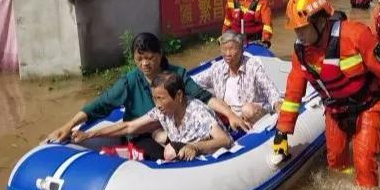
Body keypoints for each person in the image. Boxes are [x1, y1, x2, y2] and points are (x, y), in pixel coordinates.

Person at [273, 0, 380, 189]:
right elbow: (293, 95)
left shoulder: (356, 36)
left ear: (321, 22)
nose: (299, 35)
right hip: (335, 110)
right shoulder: (301, 53)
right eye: (296, 30)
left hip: (367, 106)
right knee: (336, 162)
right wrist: (282, 132)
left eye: (302, 28)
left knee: (364, 162)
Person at [44, 32, 250, 145]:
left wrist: (230, 114)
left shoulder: (176, 79)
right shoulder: (130, 82)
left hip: (170, 132)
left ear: (160, 55)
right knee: (159, 137)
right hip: (145, 132)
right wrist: (70, 126)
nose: (144, 63)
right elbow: (103, 107)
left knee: (167, 141)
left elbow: (203, 96)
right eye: (139, 59)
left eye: (149, 58)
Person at [73, 71, 233, 162]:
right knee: (161, 141)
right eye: (154, 99)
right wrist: (89, 134)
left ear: (178, 95)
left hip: (203, 152)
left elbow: (225, 140)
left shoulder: (198, 112)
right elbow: (129, 126)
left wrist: (195, 148)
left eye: (161, 98)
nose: (157, 104)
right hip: (182, 146)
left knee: (169, 152)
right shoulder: (162, 111)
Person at [193, 31, 283, 125]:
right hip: (230, 116)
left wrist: (277, 104)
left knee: (247, 110)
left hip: (252, 112)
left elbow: (269, 88)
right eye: (224, 49)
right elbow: (195, 82)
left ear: (241, 50)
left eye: (232, 49)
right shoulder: (217, 68)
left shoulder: (252, 66)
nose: (227, 54)